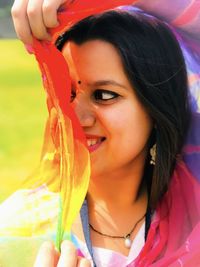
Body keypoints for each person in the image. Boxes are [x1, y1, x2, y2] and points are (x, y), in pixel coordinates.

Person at [6, 0, 200, 266]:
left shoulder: (193, 204)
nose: (76, 118)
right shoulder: (18, 232)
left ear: (156, 108)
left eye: (105, 95)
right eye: (67, 94)